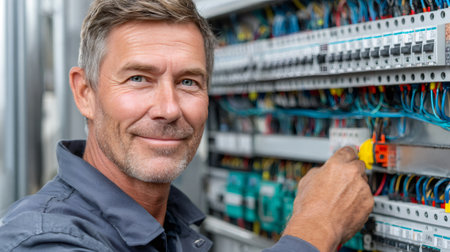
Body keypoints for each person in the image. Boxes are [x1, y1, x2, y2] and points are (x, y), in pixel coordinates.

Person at [0, 0, 373, 251]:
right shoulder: (47, 239)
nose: (168, 109)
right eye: (139, 79)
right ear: (85, 93)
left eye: (188, 82)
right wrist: (315, 228)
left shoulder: (172, 231)